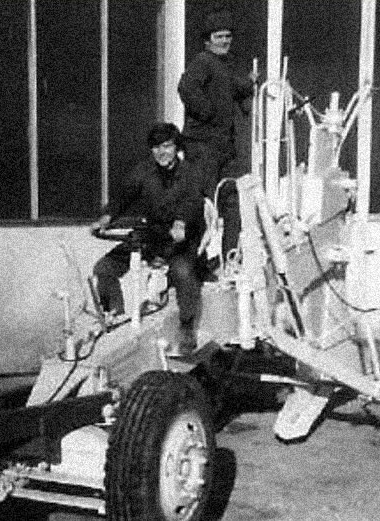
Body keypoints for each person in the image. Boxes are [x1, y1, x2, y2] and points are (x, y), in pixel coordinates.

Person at [91, 123, 204, 354]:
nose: (162, 152)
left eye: (167, 146)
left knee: (183, 273)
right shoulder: (143, 171)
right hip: (152, 237)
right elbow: (123, 197)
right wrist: (106, 218)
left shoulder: (190, 173)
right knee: (103, 268)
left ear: (176, 148)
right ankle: (116, 317)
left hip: (180, 239)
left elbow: (193, 203)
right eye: (156, 147)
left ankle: (186, 327)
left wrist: (181, 223)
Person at [178, 9, 257, 198]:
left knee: (224, 193)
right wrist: (207, 113)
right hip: (202, 143)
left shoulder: (223, 64)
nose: (224, 41)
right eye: (219, 36)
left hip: (221, 143)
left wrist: (249, 83)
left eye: (228, 36)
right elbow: (187, 87)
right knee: (204, 195)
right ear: (208, 40)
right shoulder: (203, 61)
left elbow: (231, 88)